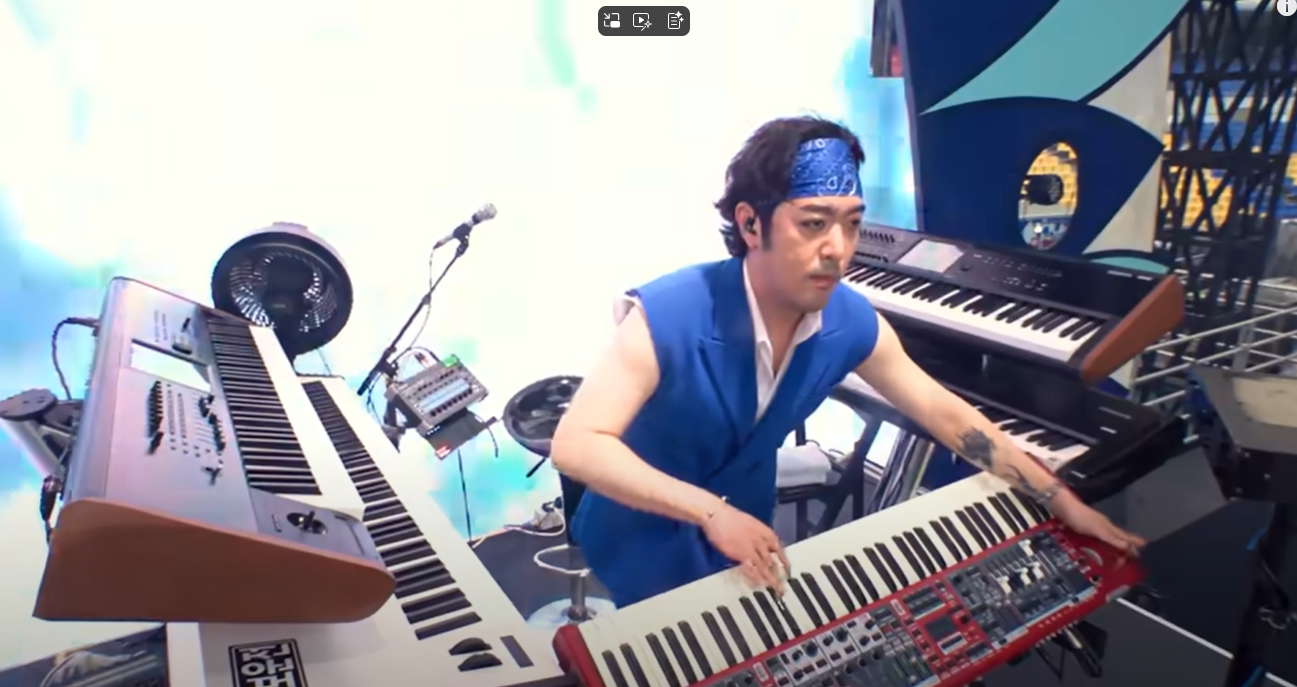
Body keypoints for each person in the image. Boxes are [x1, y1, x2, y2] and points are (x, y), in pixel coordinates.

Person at [550, 116, 1146, 609]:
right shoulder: (668, 313)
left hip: (745, 542)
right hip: (635, 542)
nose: (837, 249)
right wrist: (709, 514)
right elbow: (577, 446)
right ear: (751, 223)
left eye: (852, 224)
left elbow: (944, 413)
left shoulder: (850, 322)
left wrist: (1060, 499)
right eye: (813, 224)